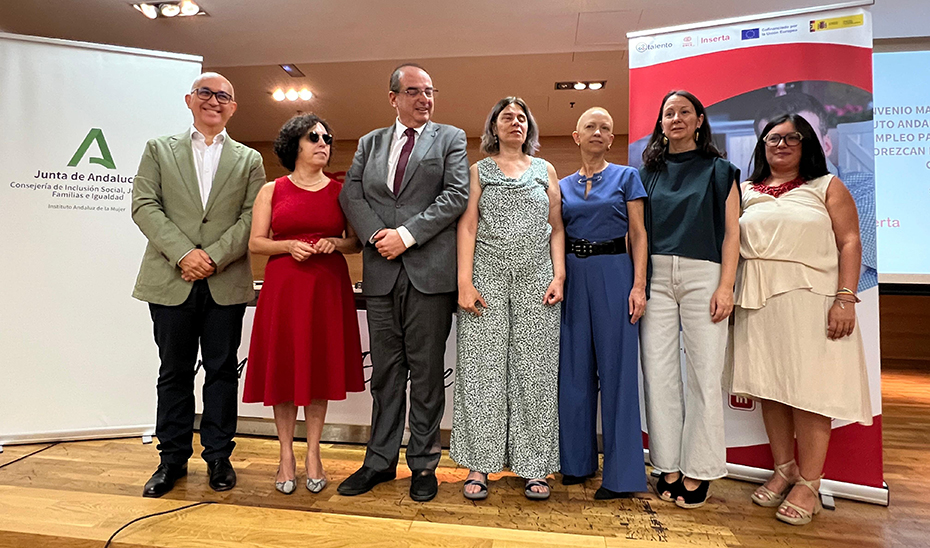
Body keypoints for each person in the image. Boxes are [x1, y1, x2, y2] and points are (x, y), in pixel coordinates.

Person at [728, 113, 872, 525]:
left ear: (808, 144)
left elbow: (849, 241)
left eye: (793, 137)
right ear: (763, 145)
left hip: (813, 300)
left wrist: (845, 297)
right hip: (758, 299)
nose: (782, 144)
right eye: (774, 138)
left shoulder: (827, 186)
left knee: (810, 394)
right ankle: (784, 468)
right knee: (770, 388)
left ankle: (810, 481)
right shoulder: (747, 189)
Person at [337, 63, 469, 502]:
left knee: (428, 374)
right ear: (392, 97)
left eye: (429, 91)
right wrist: (379, 236)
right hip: (380, 273)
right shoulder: (369, 143)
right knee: (387, 375)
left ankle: (424, 465)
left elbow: (455, 196)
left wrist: (405, 236)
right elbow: (350, 194)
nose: (424, 99)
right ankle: (378, 462)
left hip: (430, 275)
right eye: (413, 91)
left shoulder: (449, 138)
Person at [131, 72, 266, 497]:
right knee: (173, 372)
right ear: (190, 99)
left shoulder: (249, 160)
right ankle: (170, 460)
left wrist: (213, 256)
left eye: (224, 96)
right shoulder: (158, 149)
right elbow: (144, 205)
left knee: (222, 372)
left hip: (224, 281)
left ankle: (218, 457)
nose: (214, 101)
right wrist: (185, 254)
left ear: (234, 107)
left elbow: (253, 217)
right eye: (206, 93)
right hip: (171, 278)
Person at [242, 114, 364, 495]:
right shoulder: (271, 190)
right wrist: (287, 245)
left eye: (327, 137)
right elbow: (255, 243)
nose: (323, 143)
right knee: (284, 371)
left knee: (317, 370)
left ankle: (313, 453)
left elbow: (354, 241)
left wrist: (335, 243)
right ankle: (285, 456)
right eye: (314, 137)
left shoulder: (341, 191)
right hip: (285, 286)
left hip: (326, 286)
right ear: (295, 145)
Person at [452, 97, 565, 501]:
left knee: (534, 371)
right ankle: (479, 464)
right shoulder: (478, 170)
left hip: (537, 277)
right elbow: (466, 226)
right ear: (494, 127)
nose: (515, 123)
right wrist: (464, 282)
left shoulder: (545, 170)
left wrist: (560, 275)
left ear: (529, 127)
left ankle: (534, 465)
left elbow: (556, 227)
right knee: (482, 369)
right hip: (487, 275)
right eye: (506, 117)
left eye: (521, 118)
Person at [638, 90, 740, 509]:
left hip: (705, 275)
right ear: (661, 124)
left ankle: (699, 468)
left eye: (684, 112)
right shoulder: (646, 173)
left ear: (699, 120)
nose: (676, 118)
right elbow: (637, 233)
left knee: (703, 374)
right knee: (659, 374)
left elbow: (733, 233)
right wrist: (639, 281)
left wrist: (726, 286)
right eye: (668, 113)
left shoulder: (720, 170)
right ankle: (668, 464)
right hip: (656, 276)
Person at [557, 107, 648, 499]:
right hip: (573, 275)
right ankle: (575, 464)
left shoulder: (627, 177)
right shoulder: (559, 185)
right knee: (573, 373)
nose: (598, 131)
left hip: (615, 273)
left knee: (618, 375)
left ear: (612, 139)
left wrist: (639, 284)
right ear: (576, 136)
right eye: (590, 126)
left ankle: (622, 477)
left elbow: (640, 235)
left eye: (605, 128)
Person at [753, 92, 877, 292]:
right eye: (774, 140)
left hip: (856, 314)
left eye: (802, 138)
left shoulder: (866, 191)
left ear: (826, 145)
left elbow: (839, 269)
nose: (789, 148)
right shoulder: (747, 197)